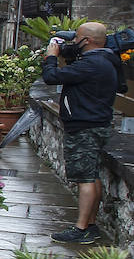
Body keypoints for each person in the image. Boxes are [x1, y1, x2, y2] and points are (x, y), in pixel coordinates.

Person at [42, 22, 121, 244]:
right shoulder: (104, 60)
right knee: (92, 175)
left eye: (77, 38)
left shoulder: (91, 64)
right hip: (96, 123)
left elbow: (51, 76)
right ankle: (91, 224)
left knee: (84, 178)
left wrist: (51, 56)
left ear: (86, 41)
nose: (74, 41)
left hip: (84, 126)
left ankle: (81, 229)